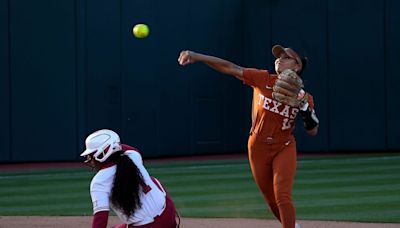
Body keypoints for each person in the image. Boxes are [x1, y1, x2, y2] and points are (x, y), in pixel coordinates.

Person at [178, 45, 319, 228]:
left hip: (284, 146)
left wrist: (306, 111)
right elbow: (229, 68)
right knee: (271, 200)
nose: (279, 59)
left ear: (297, 66)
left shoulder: (304, 98)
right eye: (278, 56)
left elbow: (313, 131)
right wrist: (198, 56)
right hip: (257, 147)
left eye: (286, 57)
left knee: (282, 196)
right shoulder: (263, 79)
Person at [80, 129, 178, 228]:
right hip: (168, 213)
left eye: (90, 155)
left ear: (102, 154)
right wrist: (115, 145)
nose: (89, 160)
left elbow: (100, 219)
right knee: (151, 180)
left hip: (146, 226)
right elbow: (125, 148)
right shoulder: (132, 155)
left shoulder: (99, 182)